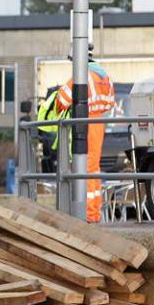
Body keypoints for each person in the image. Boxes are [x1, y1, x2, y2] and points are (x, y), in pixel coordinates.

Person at [55, 59, 116, 223]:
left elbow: (62, 99)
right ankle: (94, 213)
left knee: (86, 168)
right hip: (99, 123)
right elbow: (110, 103)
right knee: (94, 169)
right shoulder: (105, 76)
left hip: (85, 123)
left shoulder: (82, 75)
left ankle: (88, 214)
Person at [36, 85, 64, 173]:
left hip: (51, 146)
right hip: (59, 146)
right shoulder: (66, 108)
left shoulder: (44, 109)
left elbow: (40, 129)